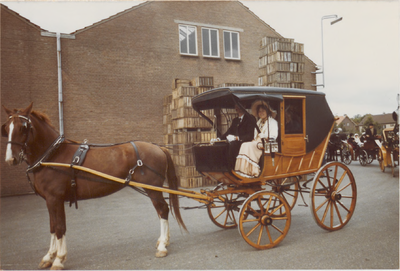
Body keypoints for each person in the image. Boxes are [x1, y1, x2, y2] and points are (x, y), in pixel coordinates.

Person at [234, 100, 278, 178]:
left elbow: (273, 136)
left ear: (267, 111)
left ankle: (252, 171)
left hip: (264, 144)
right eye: (259, 111)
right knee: (244, 144)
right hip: (256, 142)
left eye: (263, 111)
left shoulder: (273, 122)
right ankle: (244, 171)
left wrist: (264, 136)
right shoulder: (259, 122)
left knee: (248, 146)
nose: (261, 113)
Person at [210, 104, 256, 169]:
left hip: (245, 144)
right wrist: (218, 139)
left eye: (239, 106)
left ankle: (232, 168)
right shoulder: (235, 120)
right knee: (220, 144)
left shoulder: (250, 118)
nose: (238, 108)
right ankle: (220, 167)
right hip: (235, 143)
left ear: (244, 106)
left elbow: (250, 135)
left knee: (233, 144)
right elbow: (229, 132)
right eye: (236, 106)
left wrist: (236, 138)